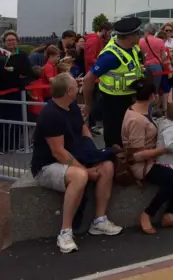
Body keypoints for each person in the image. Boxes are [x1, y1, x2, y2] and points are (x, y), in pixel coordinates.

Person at [30, 73, 123, 253]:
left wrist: (91, 154)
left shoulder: (71, 106)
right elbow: (58, 152)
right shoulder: (51, 115)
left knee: (107, 166)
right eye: (75, 85)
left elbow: (83, 130)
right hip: (47, 166)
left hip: (72, 156)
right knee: (79, 176)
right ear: (68, 91)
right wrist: (85, 170)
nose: (79, 86)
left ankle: (99, 220)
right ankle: (65, 232)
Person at [121, 77, 173, 234]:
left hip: (154, 158)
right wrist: (165, 149)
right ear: (152, 96)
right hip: (143, 165)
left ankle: (169, 213)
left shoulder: (142, 111)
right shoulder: (136, 120)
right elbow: (137, 155)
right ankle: (148, 213)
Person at [82, 17, 145, 147]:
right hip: (113, 102)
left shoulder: (134, 48)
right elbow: (88, 79)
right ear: (130, 37)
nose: (141, 36)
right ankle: (114, 165)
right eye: (138, 34)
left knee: (131, 135)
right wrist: (88, 104)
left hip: (131, 97)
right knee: (115, 140)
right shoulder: (110, 57)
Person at [0, 30, 38, 153]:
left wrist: (12, 70)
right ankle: (0, 146)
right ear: (4, 42)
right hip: (3, 93)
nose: (11, 42)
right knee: (2, 119)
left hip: (18, 92)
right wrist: (17, 72)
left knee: (18, 119)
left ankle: (13, 144)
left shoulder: (22, 55)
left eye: (13, 40)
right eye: (8, 40)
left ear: (17, 41)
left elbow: (28, 72)